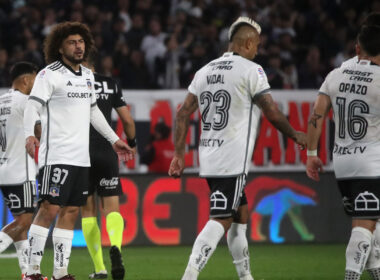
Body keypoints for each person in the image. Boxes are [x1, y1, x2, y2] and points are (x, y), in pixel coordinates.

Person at [168, 17, 306, 280]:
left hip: (209, 156)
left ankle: (246, 277)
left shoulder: (204, 70)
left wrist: (178, 154)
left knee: (240, 214)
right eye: (257, 46)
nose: (258, 51)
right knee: (221, 218)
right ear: (248, 42)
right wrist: (294, 134)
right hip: (231, 159)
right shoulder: (251, 70)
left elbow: (183, 113)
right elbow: (272, 112)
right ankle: (189, 275)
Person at [22, 22, 134, 280]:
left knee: (71, 211)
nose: (78, 46)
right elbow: (32, 106)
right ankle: (31, 272)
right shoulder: (49, 74)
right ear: (60, 47)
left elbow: (93, 111)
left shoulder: (86, 76)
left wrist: (114, 139)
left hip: (81, 159)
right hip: (57, 156)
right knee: (49, 208)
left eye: (81, 42)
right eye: (72, 42)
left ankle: (60, 272)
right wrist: (30, 133)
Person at [306, 14, 380, 280]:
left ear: (358, 48)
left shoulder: (336, 74)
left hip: (343, 163)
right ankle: (351, 276)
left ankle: (376, 272)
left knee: (371, 221)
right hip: (372, 161)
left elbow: (317, 115)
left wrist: (312, 154)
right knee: (363, 225)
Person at [81, 55, 136, 280]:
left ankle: (100, 268)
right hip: (107, 152)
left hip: (80, 154)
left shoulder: (71, 82)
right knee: (112, 209)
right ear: (95, 64)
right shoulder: (110, 83)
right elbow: (128, 121)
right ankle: (116, 247)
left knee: (87, 211)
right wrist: (131, 143)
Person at [0, 62, 38, 279]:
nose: (36, 84)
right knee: (24, 221)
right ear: (25, 80)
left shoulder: (1, 101)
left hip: (3, 170)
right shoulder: (27, 102)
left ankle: (28, 274)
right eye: (34, 79)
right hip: (21, 171)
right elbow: (40, 132)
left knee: (20, 226)